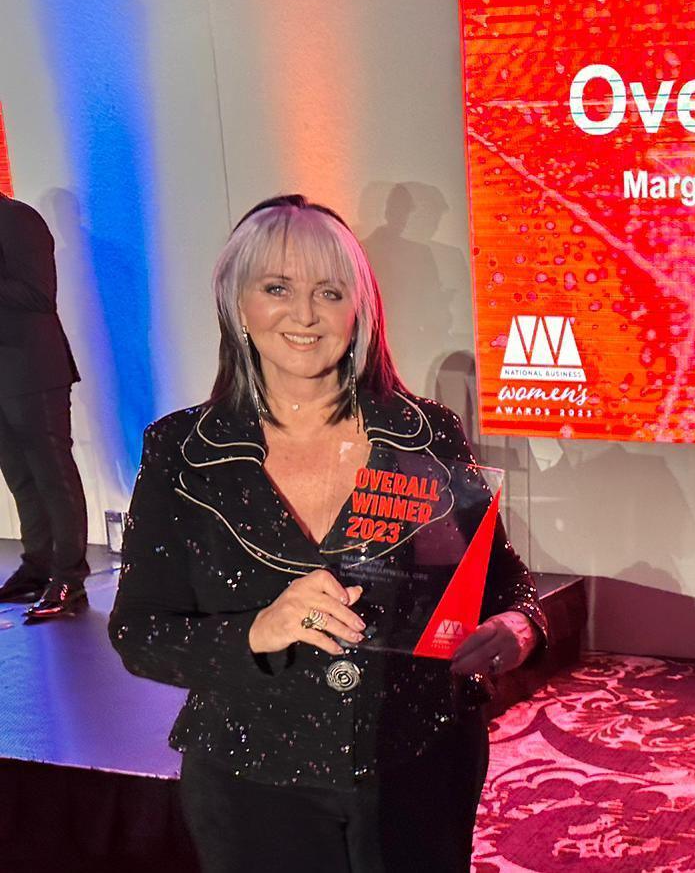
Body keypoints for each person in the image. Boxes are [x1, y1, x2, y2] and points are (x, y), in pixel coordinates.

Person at [108, 195, 547, 872]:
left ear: (359, 310)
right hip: (252, 779)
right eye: (277, 288)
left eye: (329, 291)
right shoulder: (182, 450)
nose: (305, 315)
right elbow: (139, 633)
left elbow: (506, 581)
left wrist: (518, 628)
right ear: (237, 302)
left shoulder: (426, 434)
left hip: (419, 764)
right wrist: (258, 630)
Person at [0, 191, 90, 621]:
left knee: (53, 474)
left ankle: (69, 575)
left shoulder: (18, 219)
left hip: (32, 370)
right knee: (20, 476)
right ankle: (37, 565)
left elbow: (38, 295)